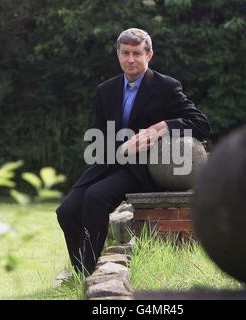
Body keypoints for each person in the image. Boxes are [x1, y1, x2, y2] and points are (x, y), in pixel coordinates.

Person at [55, 28, 211, 281]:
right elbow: (97, 131)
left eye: (137, 53)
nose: (130, 59)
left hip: (143, 168)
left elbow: (201, 123)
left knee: (95, 198)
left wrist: (161, 128)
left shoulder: (166, 86)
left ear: (149, 55)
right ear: (118, 54)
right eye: (125, 53)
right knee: (67, 211)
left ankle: (87, 273)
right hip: (110, 161)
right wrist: (116, 149)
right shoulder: (106, 90)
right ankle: (80, 268)